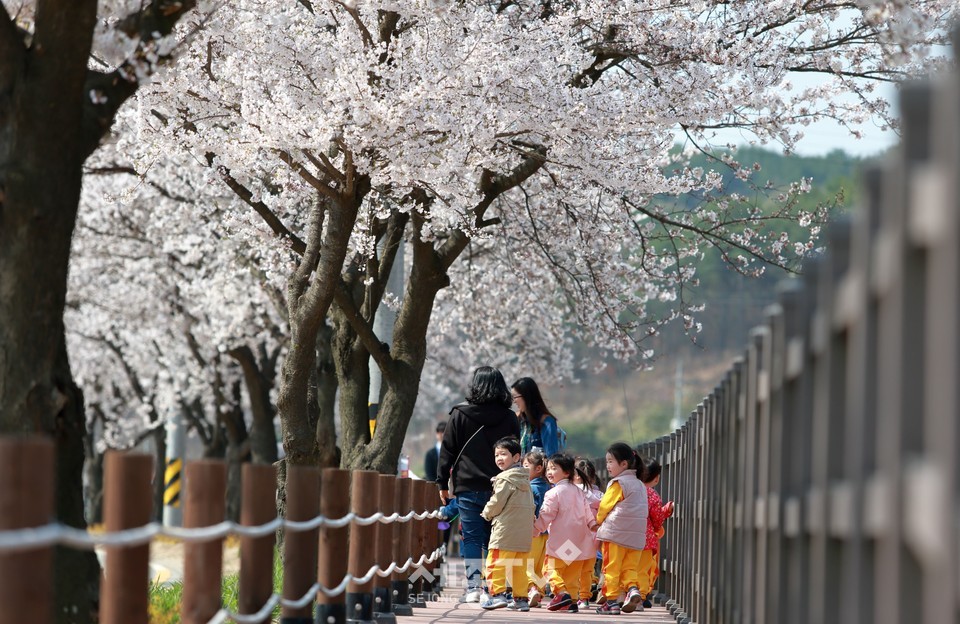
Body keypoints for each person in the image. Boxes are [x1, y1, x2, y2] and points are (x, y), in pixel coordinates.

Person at [437, 366, 521, 603]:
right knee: (495, 537)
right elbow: (516, 452)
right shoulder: (509, 417)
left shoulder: (460, 414)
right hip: (502, 487)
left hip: (468, 485)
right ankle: (495, 587)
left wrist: (442, 483)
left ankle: (474, 587)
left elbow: (448, 451)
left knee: (472, 537)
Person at [533, 453, 597, 613]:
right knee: (571, 572)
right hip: (579, 540)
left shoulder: (553, 493)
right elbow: (588, 512)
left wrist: (535, 529)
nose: (549, 472)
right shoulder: (578, 491)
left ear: (567, 472)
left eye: (554, 468)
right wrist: (593, 525)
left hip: (562, 540)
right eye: (548, 468)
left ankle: (561, 592)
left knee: (550, 569)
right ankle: (572, 600)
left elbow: (546, 514)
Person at [480, 437, 536, 611]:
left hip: (505, 531)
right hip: (523, 533)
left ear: (516, 457)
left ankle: (496, 595)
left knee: (495, 563)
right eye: (497, 455)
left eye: (503, 454)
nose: (499, 458)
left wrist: (486, 513)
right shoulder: (525, 480)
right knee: (518, 567)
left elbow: (497, 502)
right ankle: (521, 599)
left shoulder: (505, 479)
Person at [595, 442, 649, 615]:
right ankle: (633, 589)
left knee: (611, 568)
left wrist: (597, 521)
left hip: (615, 534)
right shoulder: (640, 485)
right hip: (636, 537)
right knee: (629, 568)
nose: (608, 465)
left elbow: (605, 506)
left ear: (624, 464)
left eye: (611, 461)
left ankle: (611, 602)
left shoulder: (618, 483)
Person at [639, 457, 674, 609]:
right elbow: (657, 517)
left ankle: (625, 592)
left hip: (626, 538)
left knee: (628, 567)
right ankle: (641, 595)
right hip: (647, 538)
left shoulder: (629, 491)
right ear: (656, 478)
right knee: (644, 568)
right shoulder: (652, 495)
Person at [574, 457, 603, 610]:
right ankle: (584, 598)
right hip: (593, 540)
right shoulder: (599, 495)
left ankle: (570, 594)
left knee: (570, 566)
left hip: (573, 538)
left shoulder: (573, 493)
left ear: (577, 475)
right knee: (587, 570)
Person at [523, 448, 551, 608]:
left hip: (532, 531)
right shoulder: (548, 487)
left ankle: (531, 588)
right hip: (547, 533)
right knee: (540, 566)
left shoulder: (530, 488)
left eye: (526, 466)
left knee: (528, 563)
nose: (523, 469)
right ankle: (539, 593)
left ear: (538, 468)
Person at [511, 378, 562, 457]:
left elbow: (551, 455)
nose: (514, 401)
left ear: (526, 396)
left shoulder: (546, 422)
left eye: (515, 397)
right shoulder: (519, 419)